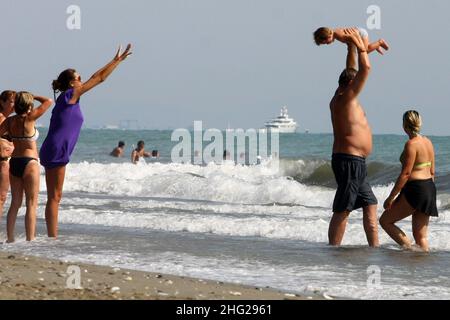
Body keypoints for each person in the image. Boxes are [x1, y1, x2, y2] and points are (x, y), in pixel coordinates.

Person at [39, 44, 133, 238]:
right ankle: (52, 238)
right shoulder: (70, 95)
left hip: (53, 147)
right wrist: (116, 61)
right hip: (56, 149)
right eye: (78, 78)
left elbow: (95, 77)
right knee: (55, 197)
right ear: (72, 83)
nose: (82, 80)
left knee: (53, 197)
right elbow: (99, 78)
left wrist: (115, 61)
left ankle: (51, 236)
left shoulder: (67, 98)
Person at [328, 32, 379, 247]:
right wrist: (361, 47)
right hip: (349, 161)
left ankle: (374, 248)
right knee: (343, 209)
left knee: (370, 205)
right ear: (351, 84)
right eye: (355, 81)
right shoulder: (346, 99)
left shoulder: (340, 95)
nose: (360, 84)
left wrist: (349, 48)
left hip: (356, 162)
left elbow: (352, 71)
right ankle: (333, 249)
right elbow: (365, 69)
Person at [380, 111, 437, 252]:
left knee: (385, 221)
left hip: (415, 189)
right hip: (429, 187)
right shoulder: (428, 141)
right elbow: (432, 171)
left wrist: (391, 197)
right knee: (421, 236)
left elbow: (405, 174)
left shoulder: (411, 144)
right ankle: (422, 266)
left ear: (404, 125)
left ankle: (410, 250)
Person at [0, 92, 53, 242]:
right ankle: (30, 239)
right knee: (31, 203)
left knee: (15, 203)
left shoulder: (9, 121)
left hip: (15, 162)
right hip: (30, 162)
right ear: (29, 105)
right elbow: (48, 101)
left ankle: (10, 238)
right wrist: (34, 95)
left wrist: (6, 144)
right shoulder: (30, 118)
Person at [314, 27, 389, 55]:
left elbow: (351, 37)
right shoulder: (336, 33)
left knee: (365, 51)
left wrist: (359, 46)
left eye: (326, 42)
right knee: (363, 49)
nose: (327, 44)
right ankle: (375, 46)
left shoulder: (338, 35)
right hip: (359, 33)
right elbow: (348, 39)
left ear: (328, 36)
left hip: (360, 34)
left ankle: (379, 42)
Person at [0, 90, 16, 223]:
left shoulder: (8, 119)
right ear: (2, 102)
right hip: (2, 162)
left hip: (5, 161)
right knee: (1, 197)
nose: (14, 104)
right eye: (11, 101)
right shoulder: (1, 118)